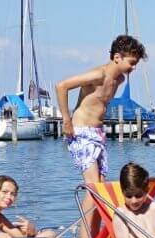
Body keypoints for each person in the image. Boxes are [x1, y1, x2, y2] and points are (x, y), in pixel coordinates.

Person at [56, 34, 147, 188]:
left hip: (98, 132)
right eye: (132, 63)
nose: (134, 67)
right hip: (82, 131)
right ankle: (84, 213)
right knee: (94, 186)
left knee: (102, 186)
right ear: (117, 57)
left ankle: (95, 213)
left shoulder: (119, 80)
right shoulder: (99, 75)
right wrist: (66, 121)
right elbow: (61, 86)